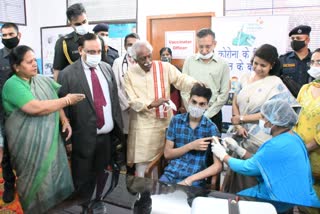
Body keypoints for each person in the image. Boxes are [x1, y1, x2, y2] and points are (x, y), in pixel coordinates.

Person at [2, 45, 85, 213]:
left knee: (55, 174)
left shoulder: (41, 80)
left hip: (50, 141)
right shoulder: (12, 85)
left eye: (35, 60)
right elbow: (36, 107)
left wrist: (64, 120)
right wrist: (67, 101)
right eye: (29, 62)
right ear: (16, 67)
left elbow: (52, 98)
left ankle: (57, 207)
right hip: (27, 146)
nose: (34, 64)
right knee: (34, 181)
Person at [212, 99, 320, 212]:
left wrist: (223, 155)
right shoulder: (293, 138)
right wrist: (238, 150)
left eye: (263, 117)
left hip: (282, 198)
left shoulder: (277, 145)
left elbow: (248, 168)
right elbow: (261, 161)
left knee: (234, 202)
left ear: (274, 121)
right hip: (294, 193)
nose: (261, 120)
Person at [223, 44, 298, 194]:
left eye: (263, 65)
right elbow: (235, 102)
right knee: (236, 174)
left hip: (260, 137)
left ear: (272, 65)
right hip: (240, 133)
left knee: (253, 175)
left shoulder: (275, 83)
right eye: (255, 63)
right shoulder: (244, 78)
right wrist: (238, 125)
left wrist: (242, 119)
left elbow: (270, 114)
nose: (258, 68)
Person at [58, 33, 124, 194]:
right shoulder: (67, 74)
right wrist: (67, 142)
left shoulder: (107, 69)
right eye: (91, 52)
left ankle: (99, 203)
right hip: (82, 140)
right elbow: (62, 111)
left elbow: (114, 101)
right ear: (81, 50)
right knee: (82, 182)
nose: (96, 55)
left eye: (99, 51)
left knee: (103, 177)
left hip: (106, 139)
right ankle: (83, 207)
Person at [124, 41, 197, 177]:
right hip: (142, 127)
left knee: (166, 161)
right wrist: (152, 104)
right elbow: (132, 100)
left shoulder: (164, 67)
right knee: (144, 166)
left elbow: (181, 80)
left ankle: (161, 194)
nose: (147, 61)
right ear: (134, 59)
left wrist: (195, 85)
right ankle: (144, 195)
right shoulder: (129, 74)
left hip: (164, 123)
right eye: (142, 58)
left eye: (149, 56)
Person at [159, 83, 221, 187]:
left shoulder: (211, 128)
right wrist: (191, 146)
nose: (197, 107)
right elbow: (167, 154)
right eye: (194, 102)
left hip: (195, 179)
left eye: (201, 104)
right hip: (171, 174)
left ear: (207, 105)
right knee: (156, 198)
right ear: (188, 100)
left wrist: (189, 180)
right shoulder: (176, 120)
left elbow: (218, 166)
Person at [182, 28, 230, 133]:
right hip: (192, 113)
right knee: (189, 144)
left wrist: (208, 114)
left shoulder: (223, 64)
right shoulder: (189, 61)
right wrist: (192, 110)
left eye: (208, 46)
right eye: (201, 47)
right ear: (196, 44)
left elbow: (224, 93)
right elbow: (184, 88)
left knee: (212, 147)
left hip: (213, 114)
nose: (204, 51)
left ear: (214, 44)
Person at [294, 48, 320, 214]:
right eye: (313, 62)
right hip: (300, 152)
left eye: (319, 62)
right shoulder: (305, 88)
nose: (315, 65)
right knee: (301, 198)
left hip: (316, 152)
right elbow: (295, 116)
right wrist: (295, 144)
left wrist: (309, 146)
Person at [53, 3, 107, 80]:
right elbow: (57, 71)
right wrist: (59, 91)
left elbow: (105, 66)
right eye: (78, 24)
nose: (82, 25)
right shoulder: (63, 43)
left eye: (84, 21)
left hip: (97, 81)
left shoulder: (99, 40)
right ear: (71, 24)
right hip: (74, 84)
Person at [0, 22, 22, 203]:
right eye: (4, 35)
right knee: (6, 154)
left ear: (18, 35)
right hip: (4, 115)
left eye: (10, 34)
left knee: (25, 151)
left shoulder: (27, 55)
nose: (7, 38)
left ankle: (26, 183)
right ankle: (9, 184)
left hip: (25, 113)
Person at [112, 33, 140, 137]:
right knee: (127, 137)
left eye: (135, 44)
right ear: (125, 46)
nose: (132, 47)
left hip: (141, 107)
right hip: (126, 108)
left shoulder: (143, 61)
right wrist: (127, 105)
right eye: (130, 44)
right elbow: (115, 86)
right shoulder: (118, 63)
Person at [279, 25, 312, 96]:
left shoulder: (315, 60)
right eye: (293, 38)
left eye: (298, 38)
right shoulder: (283, 60)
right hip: (288, 102)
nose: (295, 41)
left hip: (311, 102)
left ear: (307, 40)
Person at [160, 47, 185, 115]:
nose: (165, 56)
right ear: (160, 57)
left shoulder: (176, 69)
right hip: (161, 97)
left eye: (167, 54)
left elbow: (182, 88)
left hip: (174, 96)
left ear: (171, 56)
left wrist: (182, 105)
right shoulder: (157, 70)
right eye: (163, 55)